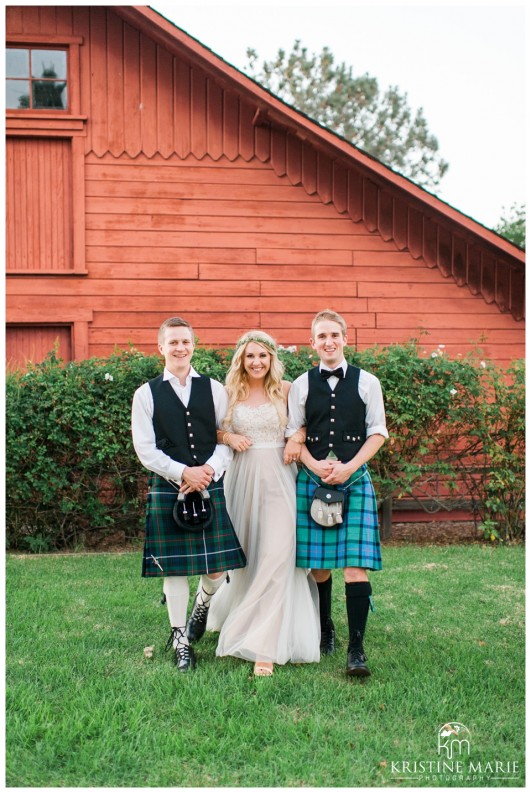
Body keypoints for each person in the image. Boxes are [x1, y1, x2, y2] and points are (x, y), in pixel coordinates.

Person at [202, 330, 320, 676]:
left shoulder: (286, 390)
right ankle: (235, 615)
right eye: (250, 356)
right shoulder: (228, 394)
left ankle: (264, 647)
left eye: (263, 356)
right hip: (241, 479)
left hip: (280, 479)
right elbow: (212, 431)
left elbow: (306, 425)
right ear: (241, 359)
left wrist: (296, 439)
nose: (257, 362)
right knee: (248, 557)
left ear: (272, 360)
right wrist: (229, 436)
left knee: (277, 557)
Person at [131, 317, 246, 673]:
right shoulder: (146, 394)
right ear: (161, 347)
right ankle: (180, 638)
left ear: (193, 345)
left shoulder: (213, 389)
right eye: (173, 342)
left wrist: (208, 471)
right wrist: (183, 472)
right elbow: (145, 449)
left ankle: (203, 604)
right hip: (170, 486)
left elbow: (226, 436)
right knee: (176, 569)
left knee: (215, 568)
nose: (180, 348)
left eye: (186, 342)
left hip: (210, 483)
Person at [284, 309, 388, 678]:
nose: (328, 342)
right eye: (321, 336)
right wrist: (313, 466)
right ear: (312, 343)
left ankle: (356, 648)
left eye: (335, 335)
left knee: (354, 568)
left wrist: (348, 467)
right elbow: (292, 434)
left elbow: (378, 432)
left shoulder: (367, 382)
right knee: (319, 567)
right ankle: (325, 628)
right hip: (312, 479)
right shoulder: (300, 384)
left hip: (354, 478)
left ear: (345, 339)